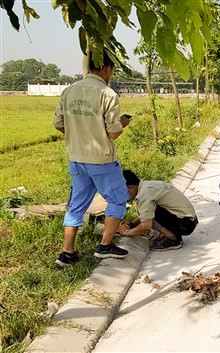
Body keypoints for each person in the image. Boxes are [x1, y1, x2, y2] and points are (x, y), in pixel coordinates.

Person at [53, 50, 131, 268]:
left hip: (77, 160)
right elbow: (114, 132)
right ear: (107, 69)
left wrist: (79, 133)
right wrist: (123, 123)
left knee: (76, 206)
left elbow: (58, 124)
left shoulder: (69, 91)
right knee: (117, 199)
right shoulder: (108, 94)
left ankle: (67, 253)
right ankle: (105, 245)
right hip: (102, 161)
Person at [117, 170, 198, 251]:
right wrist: (133, 223)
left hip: (185, 225)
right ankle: (173, 235)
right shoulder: (147, 186)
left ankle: (172, 240)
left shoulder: (144, 195)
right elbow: (147, 213)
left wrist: (127, 232)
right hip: (188, 221)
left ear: (130, 188)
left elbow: (146, 225)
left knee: (151, 216)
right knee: (150, 211)